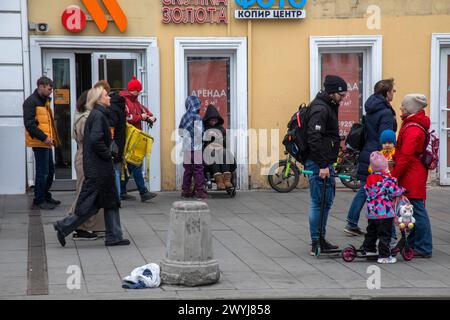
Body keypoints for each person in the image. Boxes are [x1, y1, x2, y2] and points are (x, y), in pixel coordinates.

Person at [53, 86, 130, 247]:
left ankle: (114, 236)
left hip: (98, 168)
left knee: (109, 202)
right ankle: (64, 226)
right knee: (92, 205)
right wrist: (108, 154)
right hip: (99, 169)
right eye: (106, 95)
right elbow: (96, 140)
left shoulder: (98, 114)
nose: (109, 98)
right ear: (99, 99)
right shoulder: (98, 116)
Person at [344, 78, 398, 236]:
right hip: (377, 156)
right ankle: (380, 226)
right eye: (393, 91)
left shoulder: (371, 108)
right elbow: (385, 139)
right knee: (371, 190)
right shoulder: (386, 112)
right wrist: (387, 159)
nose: (394, 93)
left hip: (367, 151)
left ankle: (352, 222)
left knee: (364, 188)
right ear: (387, 93)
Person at [305, 75, 347, 255]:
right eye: (341, 95)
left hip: (324, 162)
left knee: (325, 202)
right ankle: (317, 242)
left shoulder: (328, 106)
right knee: (318, 202)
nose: (343, 99)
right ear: (332, 92)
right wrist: (322, 165)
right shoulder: (320, 108)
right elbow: (313, 137)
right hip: (318, 163)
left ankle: (320, 239)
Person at [392, 94, 433, 258]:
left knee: (417, 210)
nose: (401, 107)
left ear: (410, 107)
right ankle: (416, 243)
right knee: (414, 210)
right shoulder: (412, 124)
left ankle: (424, 247)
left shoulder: (413, 128)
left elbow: (406, 156)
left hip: (412, 175)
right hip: (413, 172)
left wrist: (394, 176)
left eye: (403, 105)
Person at [67, 90, 106, 241]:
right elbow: (92, 141)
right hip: (86, 158)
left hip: (84, 157)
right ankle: (72, 223)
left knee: (87, 193)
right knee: (84, 194)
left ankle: (88, 226)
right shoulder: (85, 119)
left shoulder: (83, 117)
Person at [23, 76, 61, 210]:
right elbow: (29, 124)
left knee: (50, 171)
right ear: (41, 87)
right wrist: (44, 137)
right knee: (42, 172)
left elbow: (47, 123)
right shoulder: (31, 102)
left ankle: (45, 195)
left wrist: (50, 138)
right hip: (40, 142)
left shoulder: (44, 101)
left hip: (46, 142)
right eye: (49, 89)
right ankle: (39, 200)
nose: (51, 91)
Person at [361, 151, 405, 264]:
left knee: (371, 231)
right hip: (384, 213)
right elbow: (394, 191)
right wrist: (403, 190)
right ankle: (384, 256)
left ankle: (368, 249)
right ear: (384, 167)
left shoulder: (369, 179)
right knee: (384, 234)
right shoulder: (387, 180)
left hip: (372, 212)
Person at [119, 76, 157, 202]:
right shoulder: (124, 101)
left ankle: (122, 191)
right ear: (133, 90)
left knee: (130, 165)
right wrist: (141, 117)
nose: (139, 92)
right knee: (135, 164)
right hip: (129, 137)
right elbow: (126, 117)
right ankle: (143, 192)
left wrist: (150, 117)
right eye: (138, 90)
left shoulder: (135, 101)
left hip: (135, 137)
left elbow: (145, 112)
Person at [179, 96, 208, 199]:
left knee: (188, 170)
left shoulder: (184, 116)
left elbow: (180, 131)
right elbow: (200, 133)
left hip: (187, 148)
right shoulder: (197, 117)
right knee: (198, 169)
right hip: (196, 148)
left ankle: (185, 190)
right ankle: (200, 191)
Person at [202, 104, 236, 190]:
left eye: (215, 120)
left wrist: (219, 137)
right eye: (211, 120)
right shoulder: (204, 128)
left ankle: (227, 179)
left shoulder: (221, 129)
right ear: (208, 120)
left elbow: (226, 143)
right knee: (213, 154)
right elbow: (201, 142)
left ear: (217, 120)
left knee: (225, 153)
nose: (213, 122)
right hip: (208, 150)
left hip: (220, 148)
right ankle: (219, 181)